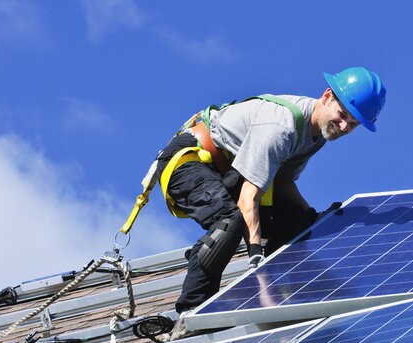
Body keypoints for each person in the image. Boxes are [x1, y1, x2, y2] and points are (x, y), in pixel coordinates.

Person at [152, 66, 386, 325]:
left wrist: (312, 217)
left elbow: (283, 182)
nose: (343, 127)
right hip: (189, 161)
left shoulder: (316, 136)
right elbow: (247, 200)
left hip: (228, 172)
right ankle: (192, 313)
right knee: (231, 222)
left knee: (296, 221)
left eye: (352, 125)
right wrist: (255, 258)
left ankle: (288, 293)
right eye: (342, 115)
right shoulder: (282, 127)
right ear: (327, 96)